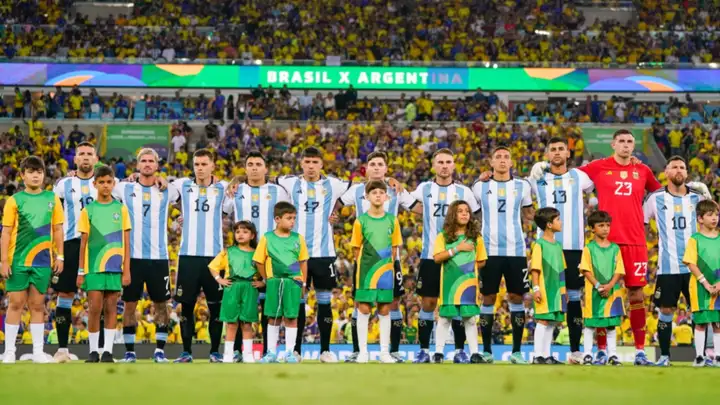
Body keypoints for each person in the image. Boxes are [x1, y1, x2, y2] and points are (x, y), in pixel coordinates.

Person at [532, 129, 657, 365]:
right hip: (585, 245)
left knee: (632, 294)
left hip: (624, 240)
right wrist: (540, 166)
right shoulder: (592, 168)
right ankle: (586, 351)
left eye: (629, 141)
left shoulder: (637, 170)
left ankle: (636, 350)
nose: (625, 145)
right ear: (613, 144)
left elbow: (660, 194)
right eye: (621, 141)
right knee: (575, 297)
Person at [338, 151, 417, 363]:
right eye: (372, 164)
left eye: (380, 164)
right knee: (362, 305)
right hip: (366, 262)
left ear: (386, 168)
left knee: (391, 304)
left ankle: (391, 351)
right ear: (367, 167)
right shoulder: (356, 191)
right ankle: (359, 351)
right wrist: (331, 215)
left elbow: (417, 207)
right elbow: (336, 203)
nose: (376, 167)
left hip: (389, 263)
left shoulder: (396, 189)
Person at [277, 147, 349, 363]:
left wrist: (337, 210)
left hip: (323, 254)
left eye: (315, 162)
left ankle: (325, 351)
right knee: (296, 302)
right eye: (307, 162)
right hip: (295, 255)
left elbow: (360, 188)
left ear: (321, 164)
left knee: (324, 301)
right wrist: (237, 179)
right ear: (301, 163)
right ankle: (295, 351)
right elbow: (263, 178)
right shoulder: (290, 182)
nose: (310, 166)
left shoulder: (333, 184)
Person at [527, 138, 594, 364]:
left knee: (574, 298)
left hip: (574, 247)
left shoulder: (580, 176)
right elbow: (513, 188)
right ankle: (541, 353)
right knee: (547, 300)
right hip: (547, 249)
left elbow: (601, 178)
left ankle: (574, 351)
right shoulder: (537, 177)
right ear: (547, 154)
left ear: (568, 153)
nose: (557, 153)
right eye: (552, 149)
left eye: (561, 149)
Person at [411, 148, 479, 364]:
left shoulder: (464, 191)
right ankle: (424, 350)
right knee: (428, 303)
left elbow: (475, 217)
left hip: (459, 259)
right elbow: (407, 204)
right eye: (440, 162)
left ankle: (460, 350)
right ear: (433, 165)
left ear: (454, 165)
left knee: (458, 302)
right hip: (430, 255)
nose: (444, 166)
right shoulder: (424, 188)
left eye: (448, 162)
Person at [113, 148, 180, 363]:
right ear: (137, 164)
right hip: (131, 258)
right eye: (144, 161)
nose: (148, 164)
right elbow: (99, 180)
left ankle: (159, 351)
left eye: (151, 161)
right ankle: (129, 352)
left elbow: (189, 194)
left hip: (159, 258)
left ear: (157, 165)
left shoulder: (168, 189)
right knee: (129, 305)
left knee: (161, 305)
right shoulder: (124, 187)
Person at [224, 151, 291, 357]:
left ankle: (268, 351)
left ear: (265, 168)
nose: (254, 168)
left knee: (268, 306)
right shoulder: (236, 190)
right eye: (250, 164)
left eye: (258, 164)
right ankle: (237, 351)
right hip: (243, 256)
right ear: (245, 169)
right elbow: (224, 213)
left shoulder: (278, 191)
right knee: (240, 304)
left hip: (271, 255)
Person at [473, 146, 534, 364]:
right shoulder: (479, 186)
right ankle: (487, 351)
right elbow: (471, 213)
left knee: (517, 298)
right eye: (498, 157)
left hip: (515, 251)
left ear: (511, 163)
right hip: (489, 251)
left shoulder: (522, 186)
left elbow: (529, 213)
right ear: (491, 162)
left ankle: (516, 352)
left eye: (506, 157)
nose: (502, 160)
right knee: (488, 298)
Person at [1, 156, 64, 364]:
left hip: (43, 260)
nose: (35, 175)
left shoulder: (52, 199)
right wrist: (4, 261)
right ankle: (9, 352)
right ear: (22, 175)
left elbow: (57, 229)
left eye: (39, 172)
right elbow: (6, 233)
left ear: (44, 175)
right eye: (30, 171)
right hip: (18, 260)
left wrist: (60, 256)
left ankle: (38, 352)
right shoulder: (14, 200)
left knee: (37, 306)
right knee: (15, 304)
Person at [643, 156, 705, 366]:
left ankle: (701, 356)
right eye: (674, 167)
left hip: (694, 267)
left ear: (686, 173)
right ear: (666, 172)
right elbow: (642, 223)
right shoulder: (655, 198)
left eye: (682, 167)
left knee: (699, 311)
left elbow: (712, 222)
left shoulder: (697, 198)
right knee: (666, 310)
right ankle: (664, 356)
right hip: (668, 267)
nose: (679, 170)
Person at [172, 149, 229, 363]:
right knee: (186, 307)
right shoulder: (182, 185)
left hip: (215, 258)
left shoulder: (223, 188)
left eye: (204, 164)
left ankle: (215, 352)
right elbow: (160, 186)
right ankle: (186, 352)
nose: (200, 168)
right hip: (188, 256)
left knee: (216, 307)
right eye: (197, 164)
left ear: (212, 165)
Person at [76, 165, 131, 363]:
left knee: (111, 308)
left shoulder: (121, 209)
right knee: (94, 308)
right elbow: (83, 243)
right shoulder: (88, 210)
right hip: (94, 267)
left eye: (109, 182)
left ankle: (107, 350)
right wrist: (81, 270)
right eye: (102, 182)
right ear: (95, 184)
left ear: (114, 183)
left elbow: (126, 242)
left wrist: (127, 270)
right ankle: (93, 350)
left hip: (115, 267)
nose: (105, 186)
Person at [52, 142, 99, 362]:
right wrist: (58, 252)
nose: (86, 157)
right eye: (82, 154)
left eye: (90, 154)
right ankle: (62, 349)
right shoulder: (64, 184)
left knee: (99, 297)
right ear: (76, 159)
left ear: (96, 159)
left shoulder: (107, 182)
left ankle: (100, 350)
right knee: (65, 295)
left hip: (97, 246)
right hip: (71, 244)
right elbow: (55, 218)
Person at [349, 180, 403, 363]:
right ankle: (363, 352)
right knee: (363, 308)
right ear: (367, 197)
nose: (378, 195)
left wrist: (386, 267)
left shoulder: (392, 220)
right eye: (374, 193)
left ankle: (384, 352)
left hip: (385, 271)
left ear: (386, 197)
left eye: (381, 192)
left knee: (385, 308)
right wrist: (366, 267)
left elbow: (395, 248)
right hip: (366, 271)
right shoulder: (361, 221)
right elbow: (356, 249)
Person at [253, 202, 309, 363]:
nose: (292, 221)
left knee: (292, 317)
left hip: (293, 281)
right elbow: (259, 261)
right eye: (289, 218)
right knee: (273, 316)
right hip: (274, 281)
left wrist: (303, 283)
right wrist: (267, 279)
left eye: (294, 218)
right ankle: (271, 352)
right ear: (277, 219)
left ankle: (290, 352)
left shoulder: (298, 238)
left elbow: (303, 262)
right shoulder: (267, 237)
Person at [432, 201, 487, 364]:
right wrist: (457, 249)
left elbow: (482, 260)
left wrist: (467, 268)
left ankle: (475, 353)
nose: (464, 214)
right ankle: (438, 353)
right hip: (449, 283)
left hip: (468, 284)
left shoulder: (476, 237)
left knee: (469, 318)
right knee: (445, 318)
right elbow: (437, 258)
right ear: (452, 215)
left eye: (467, 211)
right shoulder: (443, 236)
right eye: (460, 211)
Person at [208, 221, 263, 364]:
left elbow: (267, 270)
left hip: (250, 287)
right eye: (237, 232)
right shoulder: (228, 251)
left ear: (252, 235)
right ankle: (228, 354)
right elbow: (213, 266)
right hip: (232, 287)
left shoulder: (257, 253)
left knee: (247, 323)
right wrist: (219, 279)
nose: (240, 234)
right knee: (231, 323)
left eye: (245, 232)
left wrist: (263, 282)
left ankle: (248, 354)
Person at [579, 210, 625, 366]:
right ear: (592, 228)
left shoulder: (615, 248)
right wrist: (598, 286)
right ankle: (587, 354)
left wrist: (610, 285)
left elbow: (619, 270)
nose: (605, 228)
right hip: (594, 292)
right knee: (590, 324)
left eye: (607, 225)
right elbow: (585, 270)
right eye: (601, 225)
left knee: (611, 324)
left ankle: (612, 355)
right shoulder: (588, 248)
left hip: (612, 291)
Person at [682, 200, 720, 367]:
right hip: (699, 286)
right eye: (710, 215)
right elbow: (691, 263)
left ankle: (718, 357)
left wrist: (719, 284)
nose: (715, 218)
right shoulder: (694, 239)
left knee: (718, 322)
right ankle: (699, 357)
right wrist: (706, 284)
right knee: (701, 322)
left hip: (718, 286)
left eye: (716, 215)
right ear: (700, 218)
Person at [529, 207, 566, 365]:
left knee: (552, 322)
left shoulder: (558, 245)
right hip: (545, 289)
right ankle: (537, 355)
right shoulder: (539, 244)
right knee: (543, 321)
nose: (561, 222)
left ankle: (546, 355)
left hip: (557, 290)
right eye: (558, 219)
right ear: (549, 225)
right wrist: (536, 288)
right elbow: (535, 269)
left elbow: (561, 269)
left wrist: (563, 291)